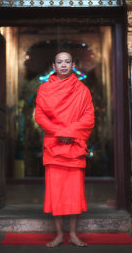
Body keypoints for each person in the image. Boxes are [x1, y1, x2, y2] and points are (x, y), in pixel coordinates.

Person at [35, 51, 95, 247]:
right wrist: (58, 131)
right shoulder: (44, 90)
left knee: (74, 194)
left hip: (74, 146)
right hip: (54, 147)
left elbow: (89, 117)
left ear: (73, 65)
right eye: (59, 62)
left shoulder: (82, 90)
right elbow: (40, 116)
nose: (63, 65)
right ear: (53, 65)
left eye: (67, 62)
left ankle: (74, 234)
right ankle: (60, 234)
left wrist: (69, 132)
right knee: (56, 194)